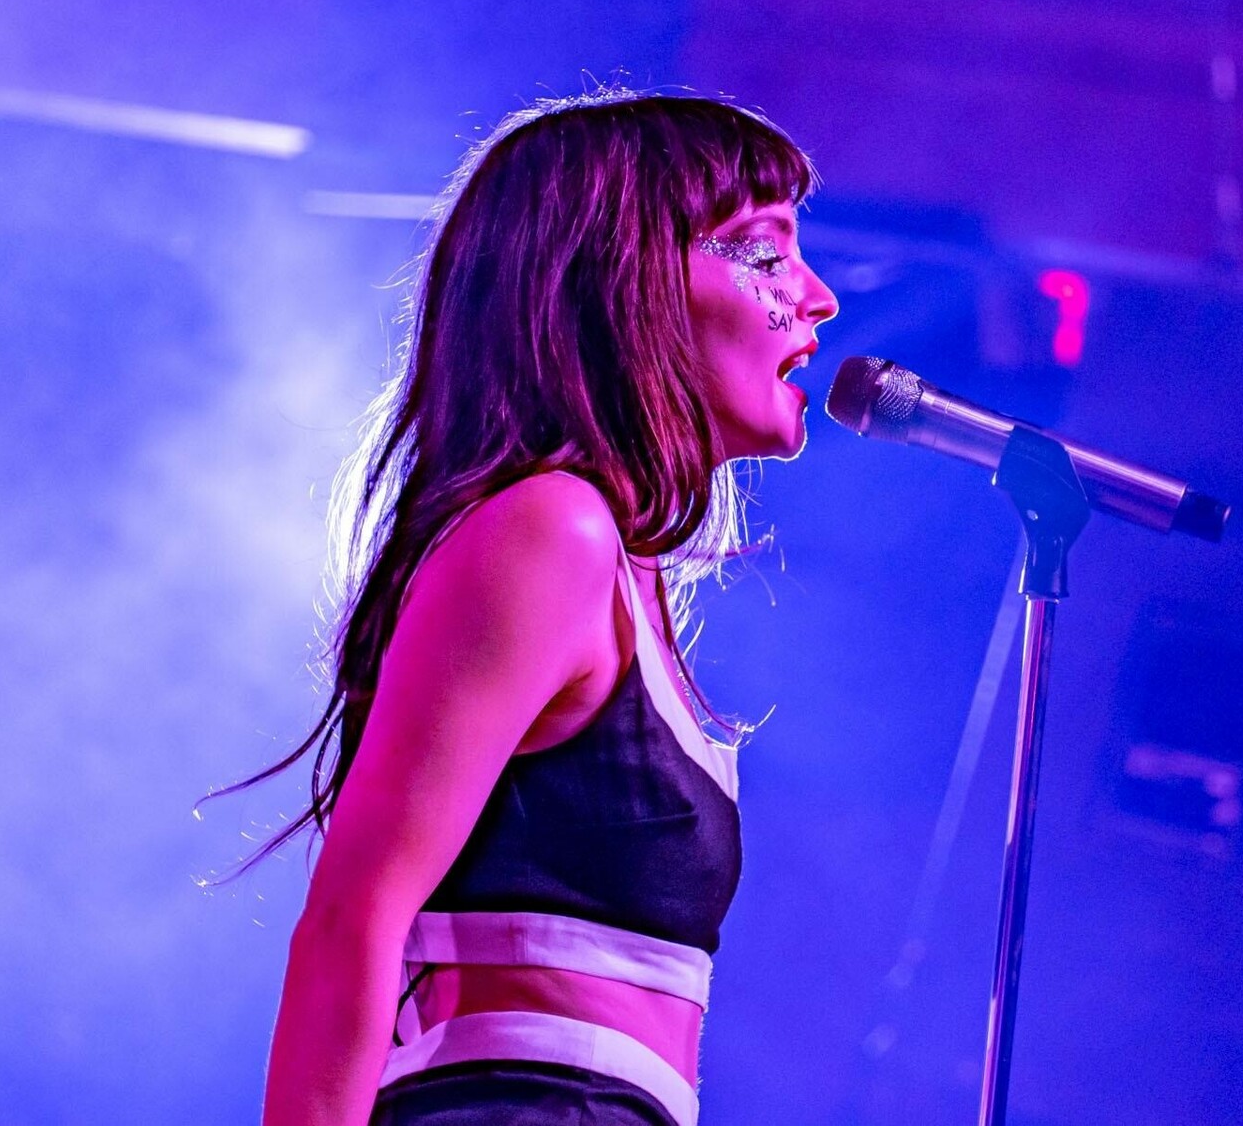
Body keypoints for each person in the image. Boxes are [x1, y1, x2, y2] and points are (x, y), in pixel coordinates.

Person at [247, 89, 838, 1125]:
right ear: (628, 284)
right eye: (762, 252)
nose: (818, 297)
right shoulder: (554, 530)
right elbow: (352, 914)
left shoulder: (620, 574)